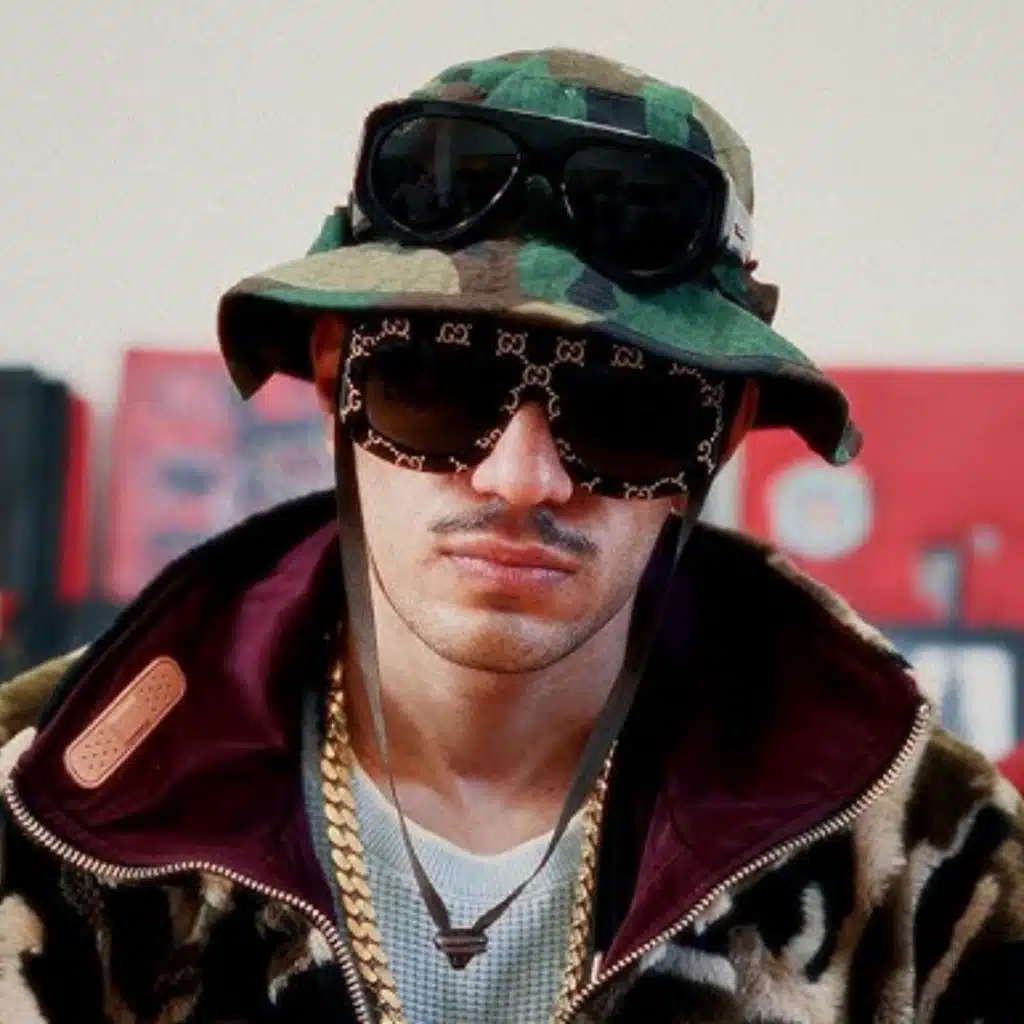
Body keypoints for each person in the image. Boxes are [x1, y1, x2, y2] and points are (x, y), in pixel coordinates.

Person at [1, 47, 1022, 1024]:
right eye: (433, 386)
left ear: (719, 439)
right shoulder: (44, 804)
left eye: (626, 412)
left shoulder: (920, 852)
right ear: (333, 376)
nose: (521, 480)